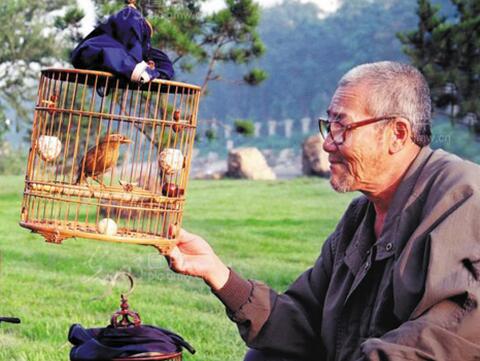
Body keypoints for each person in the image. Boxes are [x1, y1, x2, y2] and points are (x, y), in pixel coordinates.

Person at [166, 61, 480, 361]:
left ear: (397, 134)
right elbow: (303, 322)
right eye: (329, 126)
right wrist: (217, 274)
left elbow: (445, 339)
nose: (328, 143)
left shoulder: (462, 196)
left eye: (343, 127)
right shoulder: (360, 217)